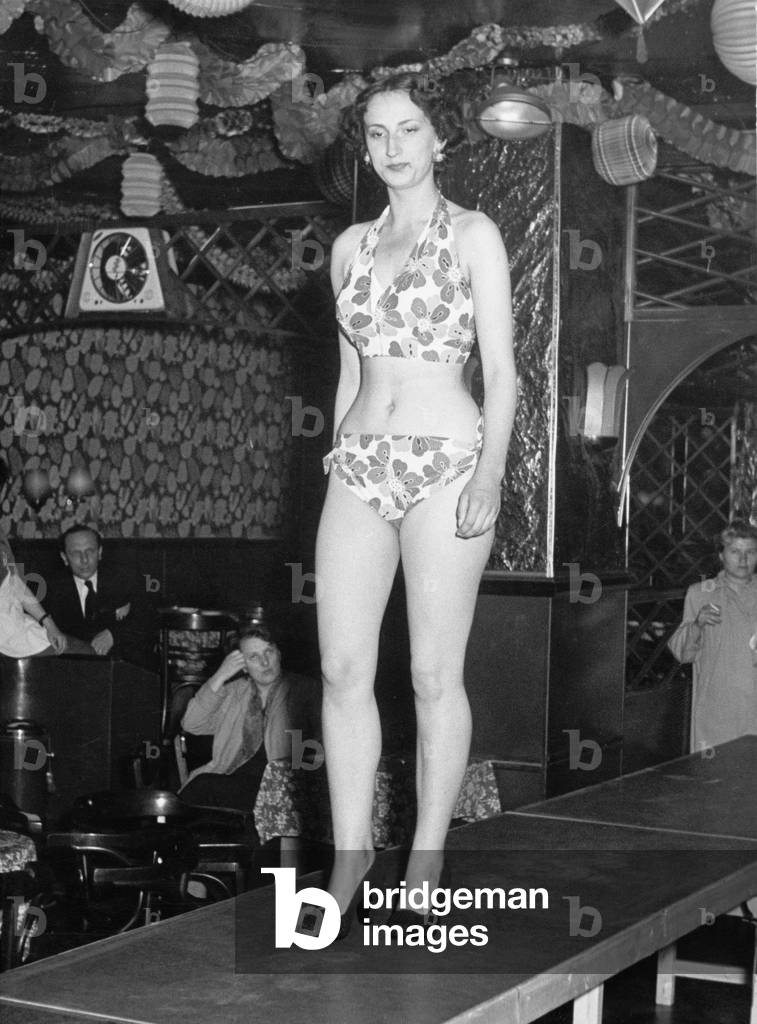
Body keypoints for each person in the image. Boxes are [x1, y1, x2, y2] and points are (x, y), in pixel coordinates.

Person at [316, 72, 516, 932]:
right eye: (375, 134)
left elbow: (504, 373)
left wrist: (489, 474)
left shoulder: (473, 234)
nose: (391, 148)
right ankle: (349, 857)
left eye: (408, 130)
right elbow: (348, 372)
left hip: (447, 461)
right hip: (358, 463)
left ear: (441, 142)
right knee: (339, 670)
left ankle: (427, 858)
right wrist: (333, 456)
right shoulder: (348, 247)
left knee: (432, 672)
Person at [179, 624, 321, 813]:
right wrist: (220, 675)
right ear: (242, 666)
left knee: (201, 788)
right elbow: (191, 724)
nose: (265, 662)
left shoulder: (304, 691)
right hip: (233, 778)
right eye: (254, 657)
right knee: (198, 789)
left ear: (279, 654)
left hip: (282, 786)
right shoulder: (235, 692)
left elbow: (322, 747)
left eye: (269, 652)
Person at [668, 520, 757, 753]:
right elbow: (683, 655)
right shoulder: (700, 594)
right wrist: (697, 625)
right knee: (715, 781)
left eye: (751, 552)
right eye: (735, 551)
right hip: (717, 714)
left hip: (754, 710)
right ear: (721, 555)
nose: (744, 559)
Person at [44, 525, 139, 659]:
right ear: (64, 557)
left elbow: (147, 618)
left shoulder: (123, 579)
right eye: (76, 553)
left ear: (100, 552)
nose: (84, 559)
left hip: (120, 669)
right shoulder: (51, 589)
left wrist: (114, 634)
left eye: (90, 551)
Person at [0, 536, 92, 657]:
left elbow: (17, 584)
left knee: (87, 653)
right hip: (6, 639)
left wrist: (48, 624)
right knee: (83, 656)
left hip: (18, 625)